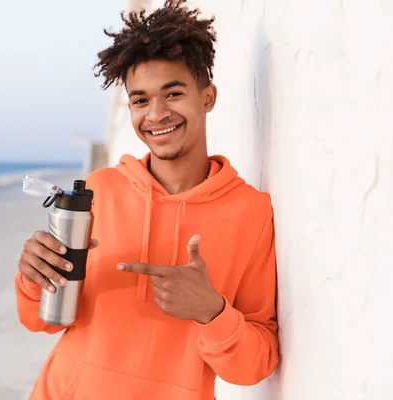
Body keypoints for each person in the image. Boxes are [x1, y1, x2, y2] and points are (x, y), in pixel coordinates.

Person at [15, 1, 279, 398]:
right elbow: (41, 322)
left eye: (172, 93)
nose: (156, 114)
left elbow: (255, 366)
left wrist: (213, 312)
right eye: (140, 100)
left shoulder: (251, 213)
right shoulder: (98, 191)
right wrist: (32, 276)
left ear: (207, 97)